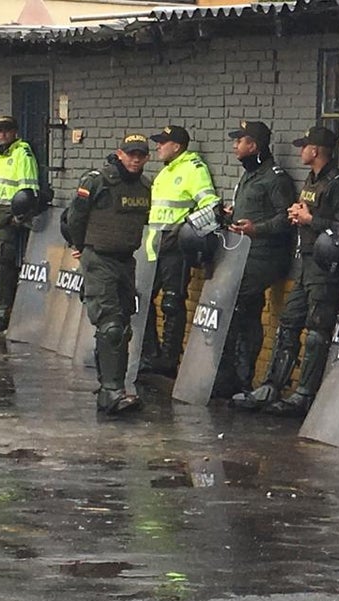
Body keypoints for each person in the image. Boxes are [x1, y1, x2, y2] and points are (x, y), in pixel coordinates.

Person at [232, 126, 339, 417]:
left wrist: (310, 218)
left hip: (327, 268)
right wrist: (298, 215)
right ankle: (272, 385)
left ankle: (304, 394)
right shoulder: (312, 179)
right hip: (305, 264)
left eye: (305, 147)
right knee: (288, 323)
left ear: (315, 151)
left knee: (317, 330)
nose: (301, 151)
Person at [64, 134, 152, 414]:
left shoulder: (144, 186)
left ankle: (110, 388)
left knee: (121, 327)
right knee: (111, 325)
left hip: (126, 261)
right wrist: (80, 246)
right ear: (120, 154)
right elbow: (74, 217)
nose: (136, 159)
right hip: (99, 258)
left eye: (141, 155)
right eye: (131, 154)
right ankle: (113, 391)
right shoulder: (96, 181)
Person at [212, 120, 298, 398]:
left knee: (238, 305)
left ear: (255, 145)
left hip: (266, 256)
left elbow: (286, 218)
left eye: (241, 140)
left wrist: (256, 229)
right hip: (243, 253)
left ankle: (239, 375)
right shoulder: (249, 175)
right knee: (244, 312)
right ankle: (234, 377)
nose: (235, 145)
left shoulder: (275, 178)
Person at [143, 125, 221, 376]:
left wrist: (183, 228)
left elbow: (210, 205)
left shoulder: (193, 169)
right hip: (155, 247)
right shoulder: (165, 172)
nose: (158, 147)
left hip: (176, 247)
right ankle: (152, 354)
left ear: (176, 146)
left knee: (172, 302)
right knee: (141, 300)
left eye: (162, 143)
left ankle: (168, 359)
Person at [0, 115, 40, 333]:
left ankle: (3, 313)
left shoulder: (21, 153)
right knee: (3, 267)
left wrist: (21, 216)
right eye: (0, 130)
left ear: (15, 131)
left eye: (7, 130)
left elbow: (29, 187)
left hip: (10, 218)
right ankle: (4, 310)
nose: (3, 134)